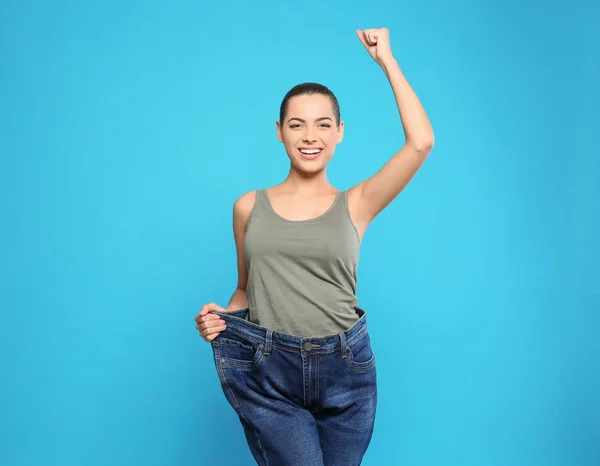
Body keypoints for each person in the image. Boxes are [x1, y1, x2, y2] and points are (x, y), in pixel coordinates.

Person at [194, 27, 434, 466]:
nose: (310, 135)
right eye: (297, 124)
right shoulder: (248, 207)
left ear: (340, 132)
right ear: (280, 132)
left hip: (346, 370)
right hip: (270, 370)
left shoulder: (357, 203)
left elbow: (421, 143)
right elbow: (246, 292)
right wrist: (219, 320)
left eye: (323, 124)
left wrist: (388, 62)